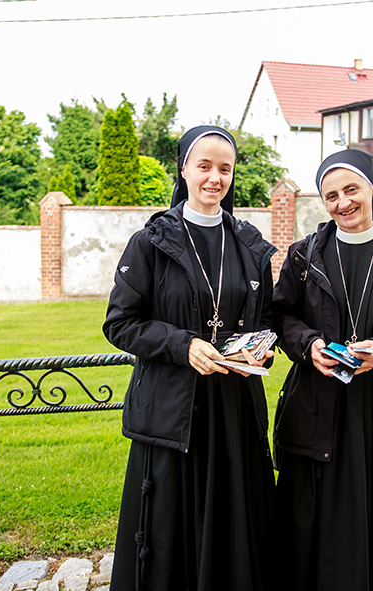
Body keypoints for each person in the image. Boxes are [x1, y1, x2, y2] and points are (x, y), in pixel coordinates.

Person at [103, 125, 278, 591]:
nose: (214, 178)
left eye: (225, 168)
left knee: (234, 525)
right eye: (204, 166)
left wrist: (259, 351)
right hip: (173, 413)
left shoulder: (250, 245)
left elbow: (265, 323)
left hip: (234, 411)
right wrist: (182, 346)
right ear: (184, 170)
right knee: (170, 533)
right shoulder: (152, 242)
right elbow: (120, 324)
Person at [272, 149, 373, 591]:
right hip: (315, 408)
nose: (343, 203)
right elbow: (281, 318)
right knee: (312, 524)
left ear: (372, 189)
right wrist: (308, 346)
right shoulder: (304, 258)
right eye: (331, 196)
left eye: (351, 190)